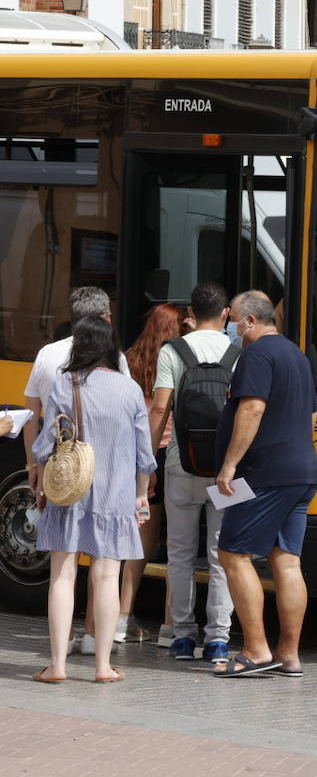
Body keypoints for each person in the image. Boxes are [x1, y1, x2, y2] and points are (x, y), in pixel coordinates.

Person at [31, 316, 156, 684]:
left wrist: (39, 480)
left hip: (69, 493)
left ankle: (57, 666)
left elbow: (44, 445)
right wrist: (139, 497)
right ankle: (102, 666)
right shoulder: (129, 389)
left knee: (62, 577)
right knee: (106, 579)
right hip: (115, 498)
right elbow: (143, 454)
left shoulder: (62, 384)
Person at [213, 291, 317, 678]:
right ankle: (289, 655)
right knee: (286, 560)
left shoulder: (256, 355)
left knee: (233, 554)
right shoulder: (296, 355)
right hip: (302, 471)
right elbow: (310, 416)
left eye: (235, 320)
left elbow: (252, 407)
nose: (233, 327)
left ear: (250, 321)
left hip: (264, 474)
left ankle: (256, 649)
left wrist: (229, 465)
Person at [23, 287, 130, 656]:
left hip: (64, 476)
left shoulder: (47, 356)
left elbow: (33, 422)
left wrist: (34, 469)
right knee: (104, 571)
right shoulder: (118, 364)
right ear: (103, 318)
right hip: (109, 481)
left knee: (63, 569)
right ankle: (95, 646)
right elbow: (130, 429)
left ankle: (59, 653)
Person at [149, 282, 237, 665]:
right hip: (226, 471)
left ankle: (183, 637)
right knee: (222, 554)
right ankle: (218, 639)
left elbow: (160, 409)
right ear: (226, 314)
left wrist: (148, 461)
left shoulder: (172, 350)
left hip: (179, 465)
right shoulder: (238, 352)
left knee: (180, 552)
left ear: (191, 313)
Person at [121, 302, 186, 645]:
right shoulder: (178, 360)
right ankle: (170, 624)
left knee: (140, 539)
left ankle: (122, 617)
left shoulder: (129, 359)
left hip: (139, 455)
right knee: (177, 542)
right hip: (170, 453)